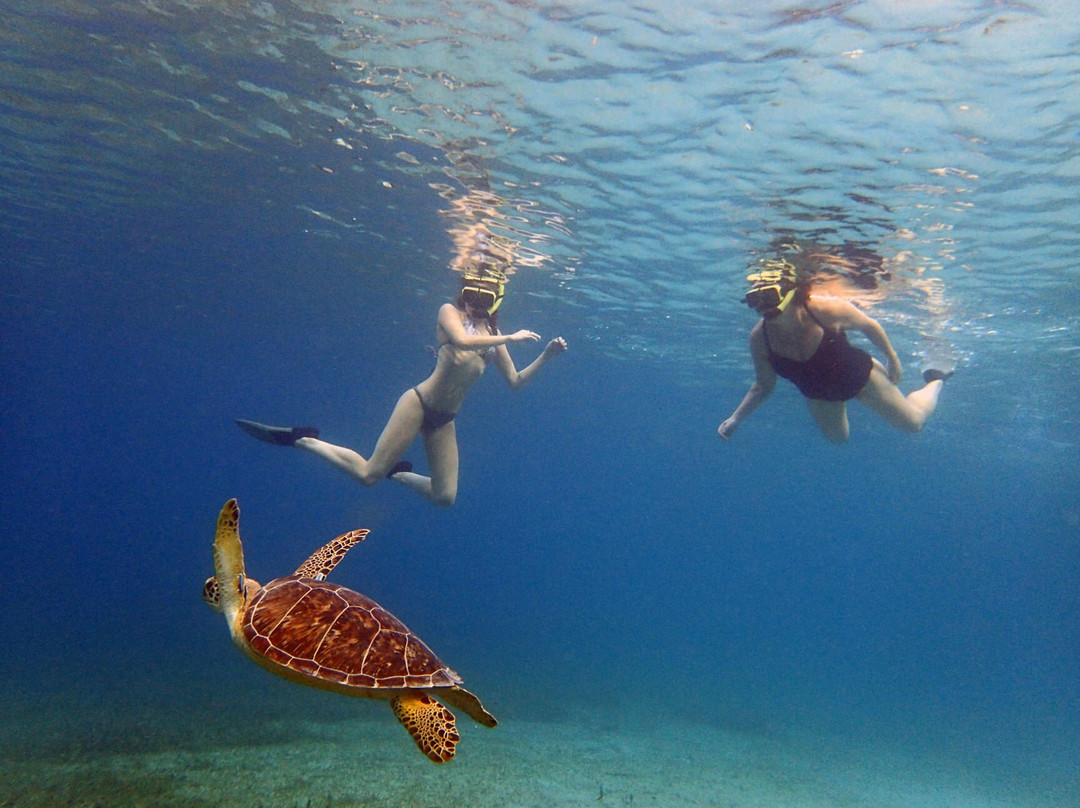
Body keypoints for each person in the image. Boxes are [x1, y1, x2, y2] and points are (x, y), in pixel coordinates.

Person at [237, 272, 567, 506]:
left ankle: (399, 475)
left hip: (445, 419)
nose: (475, 305)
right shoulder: (449, 312)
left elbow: (516, 382)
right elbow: (463, 340)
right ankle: (303, 439)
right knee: (368, 475)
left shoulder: (494, 333)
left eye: (484, 299)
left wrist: (546, 356)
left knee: (445, 497)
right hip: (419, 404)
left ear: (496, 301)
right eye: (470, 296)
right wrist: (509, 337)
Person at [718, 262, 951, 444]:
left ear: (790, 293)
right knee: (838, 439)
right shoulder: (759, 339)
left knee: (913, 424)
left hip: (860, 376)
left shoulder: (824, 309)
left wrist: (892, 358)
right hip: (819, 393)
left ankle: (936, 379)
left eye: (769, 296)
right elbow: (763, 385)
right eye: (754, 300)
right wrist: (736, 419)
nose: (763, 307)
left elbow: (868, 325)